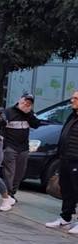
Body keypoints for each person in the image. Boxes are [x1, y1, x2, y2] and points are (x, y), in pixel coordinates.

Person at [47, 91, 78, 232]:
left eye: (76, 98)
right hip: (66, 158)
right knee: (66, 189)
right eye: (73, 97)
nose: (72, 100)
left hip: (76, 160)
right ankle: (66, 218)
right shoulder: (73, 115)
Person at [2, 93, 39, 204]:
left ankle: (12, 193)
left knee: (19, 173)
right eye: (25, 101)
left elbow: (37, 124)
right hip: (10, 147)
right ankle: (8, 194)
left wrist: (28, 114)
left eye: (29, 102)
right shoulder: (8, 112)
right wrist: (4, 145)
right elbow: (1, 127)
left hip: (23, 148)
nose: (26, 103)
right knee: (9, 172)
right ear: (20, 100)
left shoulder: (30, 114)